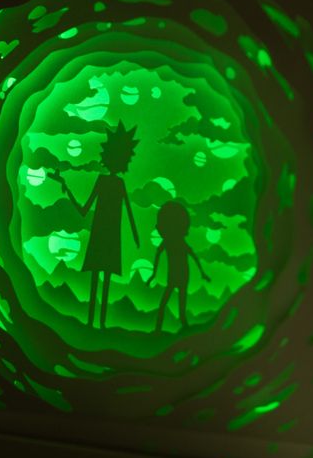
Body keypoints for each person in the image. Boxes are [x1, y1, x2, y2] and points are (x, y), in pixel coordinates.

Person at [56, 122, 139, 327]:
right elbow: (89, 210)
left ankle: (97, 323)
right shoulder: (110, 182)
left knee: (100, 281)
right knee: (101, 280)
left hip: (108, 238)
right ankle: (96, 323)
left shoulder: (113, 183)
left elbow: (123, 210)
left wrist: (136, 234)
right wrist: (66, 187)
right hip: (104, 237)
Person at [151, 200, 210, 331]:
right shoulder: (171, 243)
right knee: (170, 304)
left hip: (180, 276)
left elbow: (193, 257)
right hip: (177, 277)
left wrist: (202, 273)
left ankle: (168, 328)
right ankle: (160, 329)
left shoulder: (173, 243)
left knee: (173, 305)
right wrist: (153, 274)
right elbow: (159, 256)